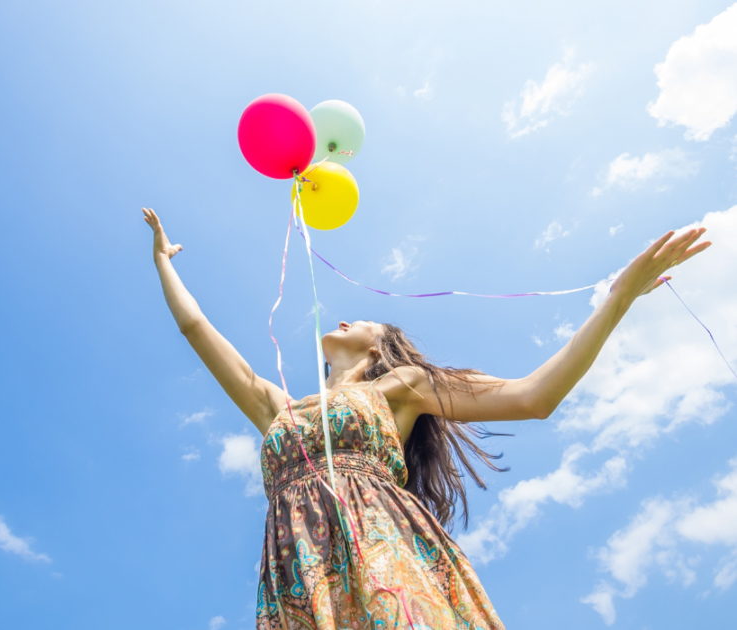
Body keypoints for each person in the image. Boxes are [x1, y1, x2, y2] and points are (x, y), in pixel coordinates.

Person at [143, 207, 710, 630]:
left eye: (361, 320)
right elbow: (196, 331)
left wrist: (618, 299)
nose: (343, 319)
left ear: (379, 348)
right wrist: (164, 265)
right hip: (297, 569)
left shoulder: (402, 386)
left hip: (383, 546)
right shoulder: (278, 407)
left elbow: (535, 396)